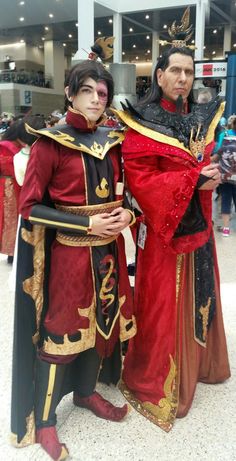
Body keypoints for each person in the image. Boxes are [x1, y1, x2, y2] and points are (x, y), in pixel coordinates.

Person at [11, 60, 136, 460]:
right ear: (69, 92)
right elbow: (30, 207)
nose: (96, 100)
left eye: (102, 93)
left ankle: (85, 394)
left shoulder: (113, 141)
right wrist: (87, 224)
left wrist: (127, 215)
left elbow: (129, 195)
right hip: (69, 256)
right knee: (61, 335)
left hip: (110, 254)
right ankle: (45, 422)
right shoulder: (50, 143)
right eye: (87, 91)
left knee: (104, 327)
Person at [115, 7, 230, 432]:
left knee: (202, 294)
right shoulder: (141, 121)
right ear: (159, 74)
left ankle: (200, 365)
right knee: (164, 304)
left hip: (197, 227)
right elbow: (141, 180)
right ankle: (163, 380)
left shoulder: (198, 118)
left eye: (189, 72)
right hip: (163, 235)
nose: (183, 78)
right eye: (175, 71)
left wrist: (215, 172)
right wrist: (192, 180)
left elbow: (204, 164)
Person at [0, 118, 24, 262]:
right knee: (10, 219)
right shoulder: (5, 146)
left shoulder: (17, 146)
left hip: (13, 184)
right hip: (9, 186)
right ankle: (11, 251)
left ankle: (13, 251)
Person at [213, 115, 236, 236]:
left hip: (226, 175)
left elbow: (218, 152)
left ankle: (226, 229)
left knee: (225, 200)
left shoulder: (225, 135)